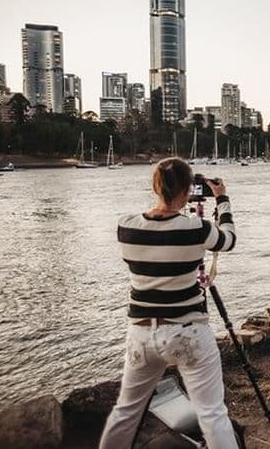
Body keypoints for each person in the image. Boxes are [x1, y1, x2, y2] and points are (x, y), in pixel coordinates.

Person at [100, 158, 239, 449]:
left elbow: (158, 232)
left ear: (155, 186)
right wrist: (222, 200)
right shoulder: (196, 229)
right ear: (189, 189)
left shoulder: (126, 227)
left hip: (140, 335)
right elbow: (228, 240)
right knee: (212, 413)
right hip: (187, 333)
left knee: (126, 411)